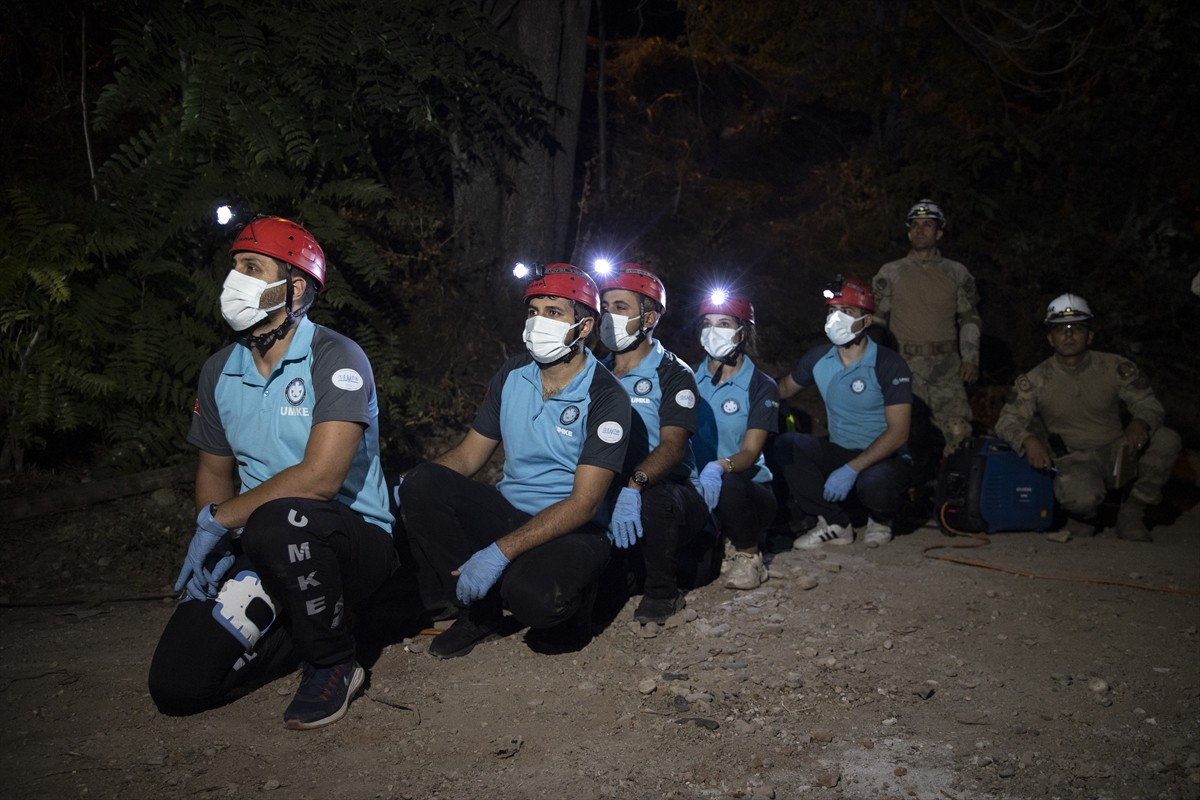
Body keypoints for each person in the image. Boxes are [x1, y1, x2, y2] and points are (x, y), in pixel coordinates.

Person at [148, 217, 397, 730]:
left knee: (281, 519)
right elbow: (215, 470)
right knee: (178, 684)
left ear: (294, 287)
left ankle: (332, 662)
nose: (233, 280)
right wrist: (214, 535)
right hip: (265, 541)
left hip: (351, 542)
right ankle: (298, 622)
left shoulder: (335, 357)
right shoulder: (220, 370)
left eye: (251, 268)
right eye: (234, 267)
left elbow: (321, 479)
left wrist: (220, 520)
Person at [398, 264, 630, 657]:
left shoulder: (607, 395)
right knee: (423, 484)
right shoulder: (513, 373)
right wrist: (413, 481)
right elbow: (470, 455)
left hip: (574, 526)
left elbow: (585, 502)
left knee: (537, 602)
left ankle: (583, 592)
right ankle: (479, 614)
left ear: (585, 327)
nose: (538, 322)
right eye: (532, 311)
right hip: (511, 509)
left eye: (553, 313)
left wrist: (500, 552)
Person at [994, 293, 1181, 541]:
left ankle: (1133, 513)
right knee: (1080, 497)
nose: (1069, 335)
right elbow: (1006, 420)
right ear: (1050, 338)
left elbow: (1149, 403)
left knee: (1167, 440)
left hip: (1118, 451)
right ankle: (1083, 517)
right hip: (1075, 457)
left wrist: (1140, 422)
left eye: (1077, 328)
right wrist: (1028, 440)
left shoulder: (1115, 367)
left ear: (1090, 336)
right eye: (1061, 330)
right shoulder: (1036, 379)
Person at [595, 262, 710, 625]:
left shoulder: (674, 373)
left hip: (664, 491)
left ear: (649, 319)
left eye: (621, 307)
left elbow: (674, 446)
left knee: (652, 495)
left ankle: (663, 594)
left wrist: (634, 485)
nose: (608, 315)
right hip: (606, 486)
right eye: (605, 306)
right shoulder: (593, 369)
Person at [776, 277, 913, 548]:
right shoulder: (818, 358)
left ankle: (881, 518)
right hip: (840, 450)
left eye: (847, 312)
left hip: (885, 457)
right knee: (787, 446)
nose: (836, 319)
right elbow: (781, 389)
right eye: (832, 311)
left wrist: (851, 469)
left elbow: (898, 433)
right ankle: (835, 522)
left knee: (876, 485)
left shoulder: (888, 363)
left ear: (867, 320)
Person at [872, 199, 981, 456]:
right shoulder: (890, 272)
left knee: (959, 433)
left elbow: (970, 318)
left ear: (939, 233)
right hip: (906, 365)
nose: (920, 230)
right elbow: (877, 322)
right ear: (909, 232)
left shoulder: (957, 273)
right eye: (915, 225)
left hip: (946, 366)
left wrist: (970, 358)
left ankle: (952, 492)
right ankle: (913, 491)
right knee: (906, 434)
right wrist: (875, 363)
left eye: (928, 225)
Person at [692, 289, 780, 590]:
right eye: (707, 323)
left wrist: (719, 466)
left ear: (742, 332)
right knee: (695, 573)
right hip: (699, 490)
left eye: (724, 324)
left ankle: (749, 554)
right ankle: (721, 537)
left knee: (730, 482)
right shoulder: (687, 379)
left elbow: (751, 451)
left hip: (746, 489)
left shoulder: (760, 385)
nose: (713, 331)